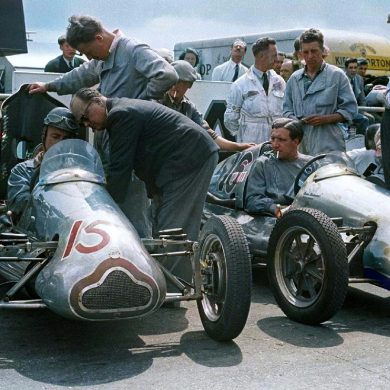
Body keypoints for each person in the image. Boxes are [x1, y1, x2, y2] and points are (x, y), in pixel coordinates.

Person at [28, 15, 178, 239]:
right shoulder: (103, 58)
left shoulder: (133, 50)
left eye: (88, 51)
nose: (88, 58)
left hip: (131, 154)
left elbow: (167, 74)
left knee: (134, 218)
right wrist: (49, 86)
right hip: (110, 152)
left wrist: (139, 103)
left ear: (99, 38)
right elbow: (81, 75)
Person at [70, 88, 218, 283]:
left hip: (190, 158)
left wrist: (101, 208)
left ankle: (175, 288)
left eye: (86, 117)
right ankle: (173, 282)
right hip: (183, 159)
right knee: (164, 221)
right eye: (83, 123)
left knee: (173, 227)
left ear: (97, 101)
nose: (89, 125)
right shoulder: (122, 108)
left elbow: (120, 169)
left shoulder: (120, 115)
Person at [283, 28, 357, 155]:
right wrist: (295, 121)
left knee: (329, 173)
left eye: (314, 51)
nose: (310, 56)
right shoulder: (294, 79)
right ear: (301, 53)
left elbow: (351, 109)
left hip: (328, 141)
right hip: (300, 142)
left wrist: (326, 119)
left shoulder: (337, 75)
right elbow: (286, 109)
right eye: (306, 52)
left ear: (322, 51)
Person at [160, 60, 253, 151]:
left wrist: (239, 147)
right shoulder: (157, 101)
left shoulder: (189, 108)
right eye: (171, 80)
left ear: (189, 85)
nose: (173, 86)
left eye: (179, 82)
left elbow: (210, 135)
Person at [7, 107, 79, 216]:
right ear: (44, 137)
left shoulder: (79, 173)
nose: (60, 143)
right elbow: (20, 203)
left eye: (66, 139)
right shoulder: (22, 171)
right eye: (55, 136)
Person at [245, 118, 312, 217]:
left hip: (309, 217)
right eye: (272, 139)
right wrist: (274, 209)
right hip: (274, 220)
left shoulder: (311, 164)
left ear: (296, 142)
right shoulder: (263, 164)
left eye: (281, 140)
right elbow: (252, 200)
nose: (275, 145)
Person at [224, 37, 285, 144]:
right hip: (251, 143)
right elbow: (230, 119)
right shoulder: (240, 85)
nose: (277, 59)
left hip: (276, 141)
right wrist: (243, 135)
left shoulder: (279, 82)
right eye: (274, 55)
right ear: (262, 56)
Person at [344, 57, 369, 134]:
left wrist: (361, 112)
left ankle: (362, 141)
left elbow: (362, 99)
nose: (353, 70)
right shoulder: (341, 79)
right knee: (365, 120)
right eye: (350, 68)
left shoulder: (359, 79)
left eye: (355, 67)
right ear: (346, 69)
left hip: (355, 110)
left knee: (370, 118)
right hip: (343, 110)